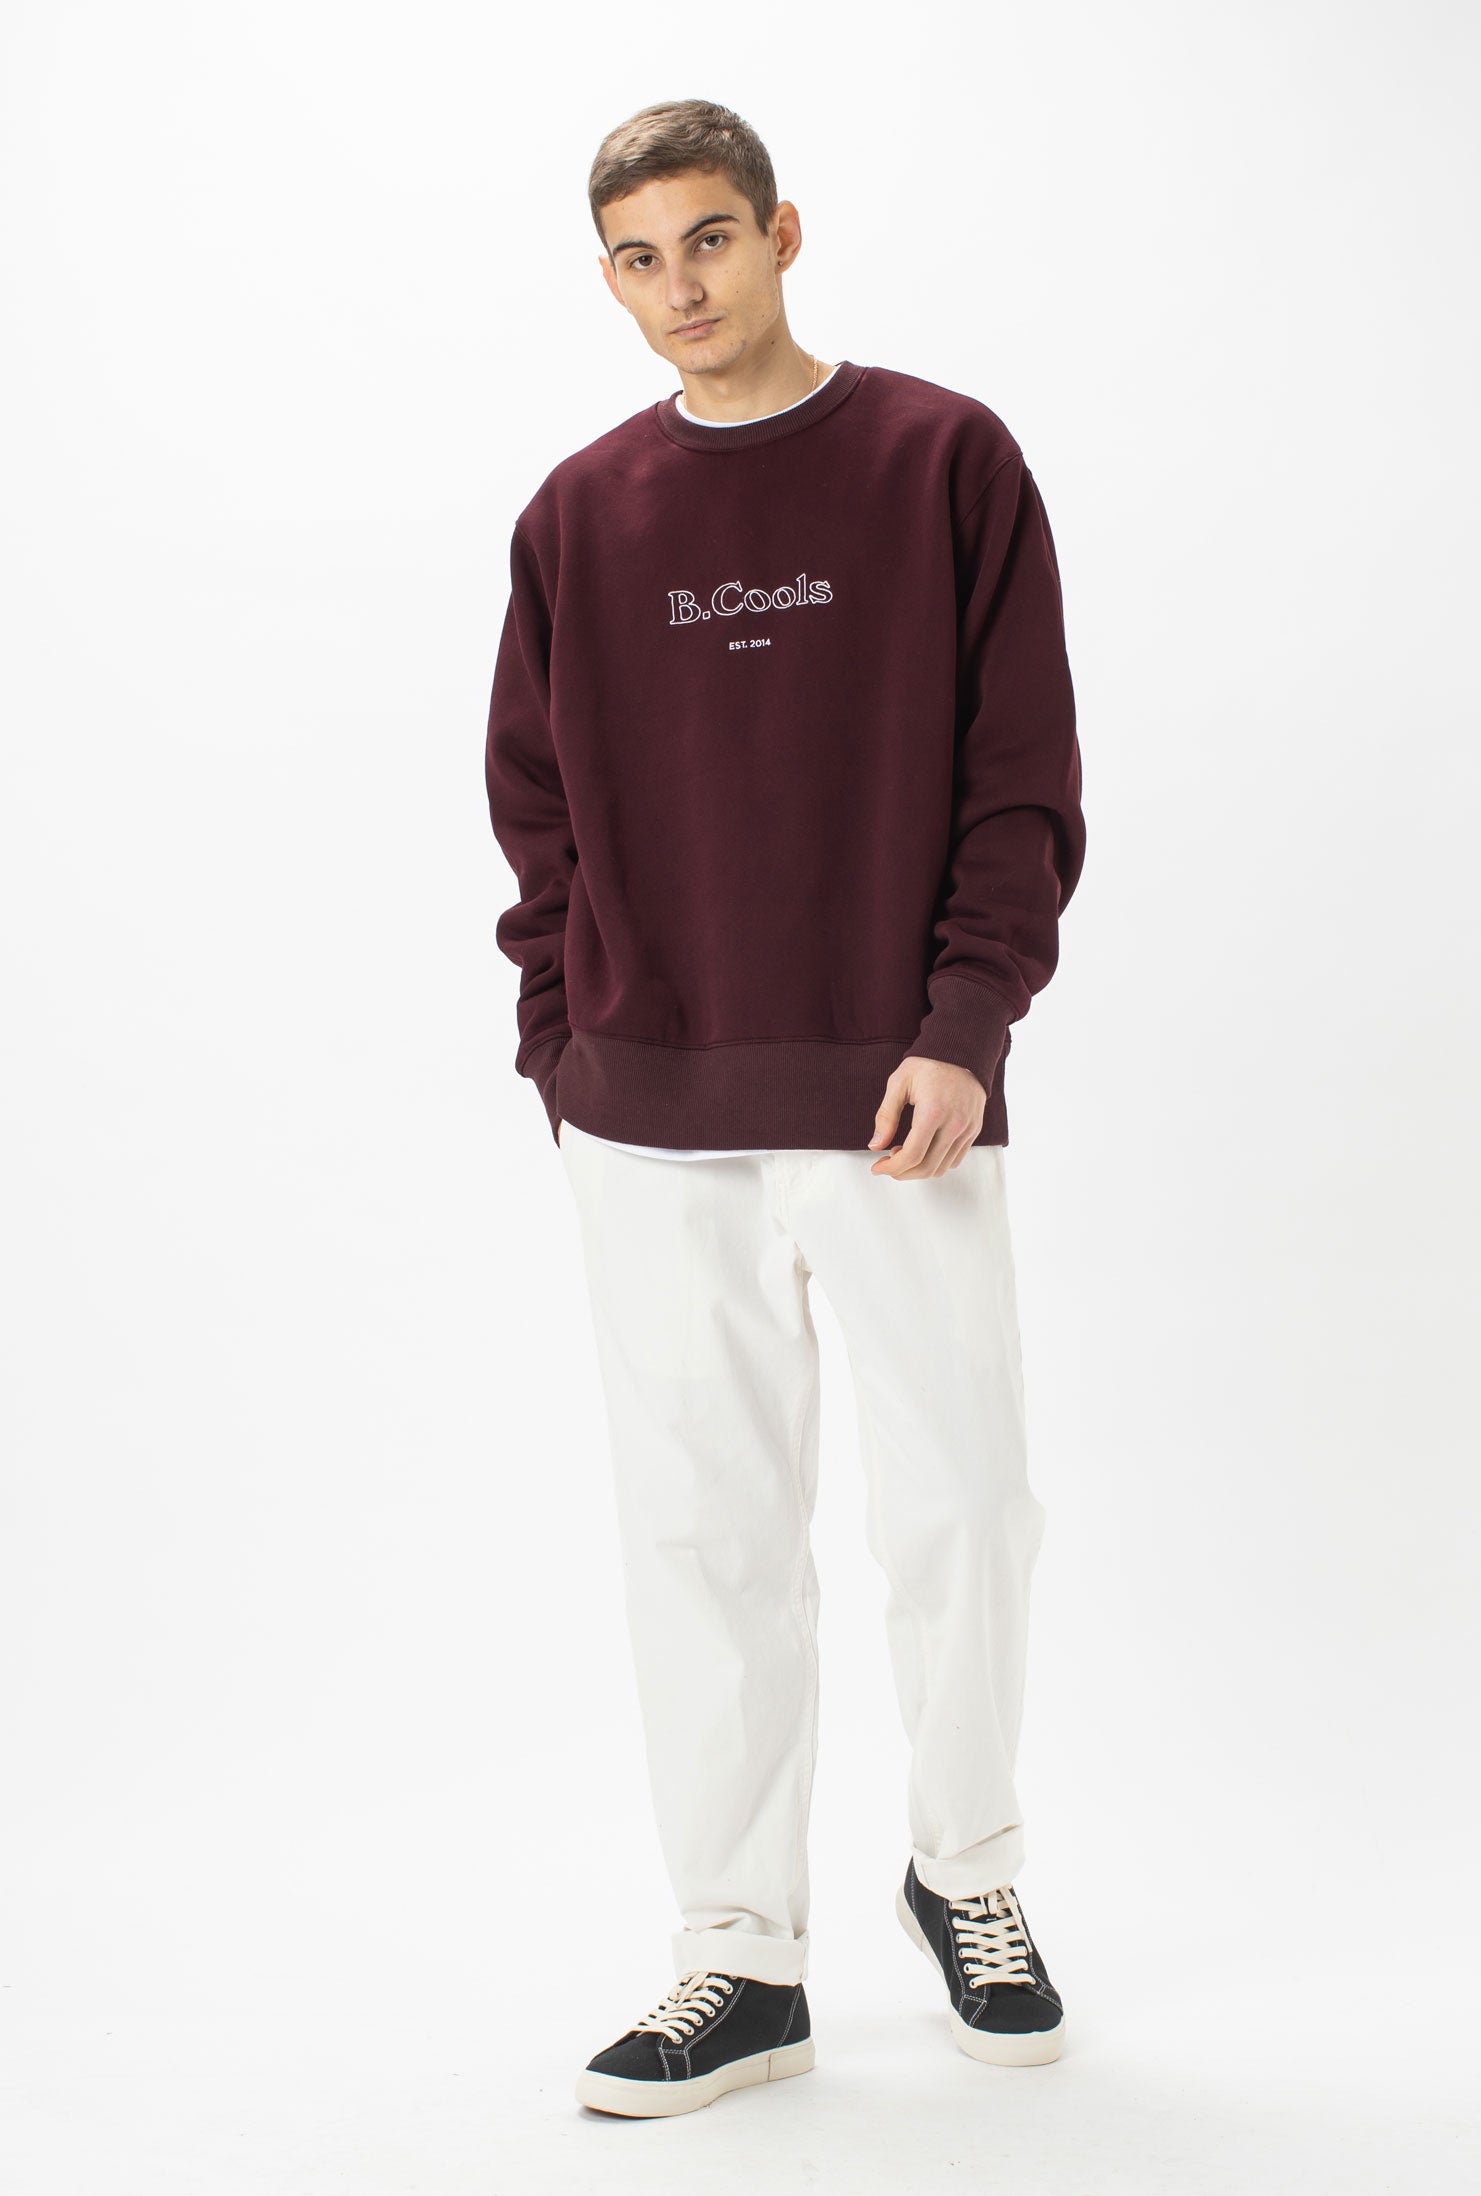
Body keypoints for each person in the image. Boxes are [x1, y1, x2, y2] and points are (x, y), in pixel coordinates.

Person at [484, 97, 1087, 2119]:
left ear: (782, 233)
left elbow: (1021, 775)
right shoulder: (578, 514)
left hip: (896, 1089)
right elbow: (534, 808)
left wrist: (965, 1022)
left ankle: (965, 1871)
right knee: (703, 1533)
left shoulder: (941, 462)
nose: (680, 286)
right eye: (638, 257)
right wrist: (561, 1045)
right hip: (646, 1110)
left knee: (964, 1506)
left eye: (710, 240)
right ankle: (737, 1956)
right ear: (608, 278)